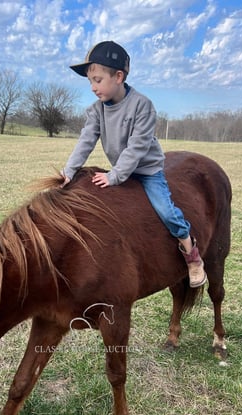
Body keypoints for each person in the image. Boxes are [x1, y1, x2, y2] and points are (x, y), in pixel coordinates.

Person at [61, 40, 207, 287]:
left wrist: (114, 176)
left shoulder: (142, 106)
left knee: (166, 212)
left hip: (146, 172)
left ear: (118, 76)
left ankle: (191, 254)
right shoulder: (96, 110)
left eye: (97, 80)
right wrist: (69, 170)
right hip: (120, 171)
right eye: (90, 82)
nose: (93, 87)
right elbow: (86, 140)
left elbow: (137, 147)